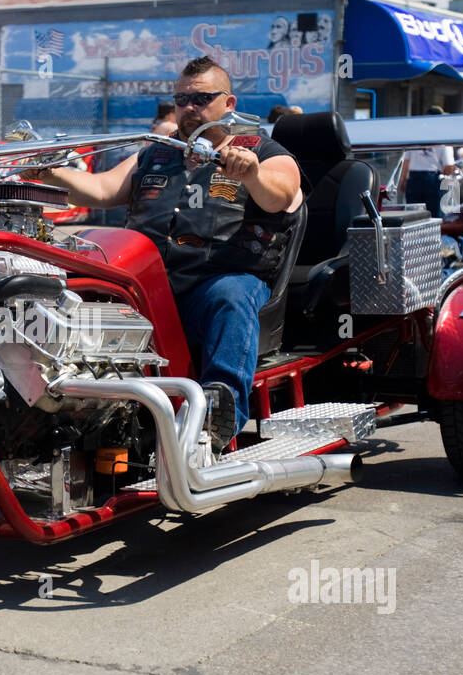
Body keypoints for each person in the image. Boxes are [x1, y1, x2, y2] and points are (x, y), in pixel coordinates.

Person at [25, 56, 304, 450]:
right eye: (182, 99)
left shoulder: (261, 151)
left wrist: (253, 173)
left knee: (231, 296)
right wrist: (47, 174)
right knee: (74, 290)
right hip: (149, 287)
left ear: (229, 103)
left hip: (216, 282)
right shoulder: (157, 152)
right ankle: (58, 409)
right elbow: (103, 189)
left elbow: (283, 195)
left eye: (202, 98)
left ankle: (218, 411)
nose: (190, 108)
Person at [397, 106, 455, 217]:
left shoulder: (415, 135)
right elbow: (448, 167)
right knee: (433, 217)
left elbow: (406, 160)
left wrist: (403, 179)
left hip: (414, 179)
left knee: (413, 217)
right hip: (433, 180)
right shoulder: (444, 136)